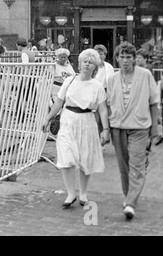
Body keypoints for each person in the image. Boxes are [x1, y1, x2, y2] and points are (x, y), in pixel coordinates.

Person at [41, 49, 109, 209]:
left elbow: (103, 109)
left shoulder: (97, 86)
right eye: (84, 61)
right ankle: (71, 193)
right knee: (65, 156)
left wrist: (105, 129)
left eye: (90, 62)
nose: (87, 64)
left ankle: (83, 193)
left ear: (95, 67)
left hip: (87, 122)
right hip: (68, 120)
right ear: (79, 63)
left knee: (85, 158)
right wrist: (47, 118)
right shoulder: (70, 81)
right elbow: (58, 102)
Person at [106, 42, 160, 221]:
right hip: (118, 127)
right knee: (124, 166)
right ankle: (128, 195)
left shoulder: (145, 75)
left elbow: (153, 101)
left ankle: (130, 203)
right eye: (122, 57)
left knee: (137, 164)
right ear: (117, 58)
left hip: (139, 127)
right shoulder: (112, 79)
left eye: (129, 57)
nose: (125, 60)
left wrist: (154, 127)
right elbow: (107, 104)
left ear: (134, 59)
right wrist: (105, 129)